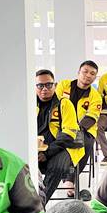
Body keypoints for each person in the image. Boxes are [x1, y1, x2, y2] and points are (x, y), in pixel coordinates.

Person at [35, 69, 83, 204]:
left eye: (48, 85)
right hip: (38, 148)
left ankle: (39, 204)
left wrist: (48, 151)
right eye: (40, 85)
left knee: (57, 167)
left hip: (63, 148)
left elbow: (69, 134)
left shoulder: (64, 104)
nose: (44, 89)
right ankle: (30, 201)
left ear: (55, 85)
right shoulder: (30, 104)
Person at [55, 61, 103, 195]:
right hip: (61, 125)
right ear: (78, 72)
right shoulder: (64, 85)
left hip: (85, 129)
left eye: (92, 73)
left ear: (95, 78)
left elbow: (91, 117)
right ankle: (56, 173)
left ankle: (69, 179)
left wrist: (75, 129)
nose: (88, 75)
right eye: (85, 71)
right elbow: (55, 105)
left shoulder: (95, 96)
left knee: (83, 143)